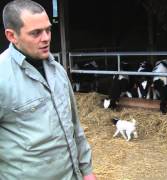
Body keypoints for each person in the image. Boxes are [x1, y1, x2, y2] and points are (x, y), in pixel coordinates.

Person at [0, 0, 96, 179]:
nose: (46, 38)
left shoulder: (57, 70)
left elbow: (74, 125)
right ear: (12, 36)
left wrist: (87, 170)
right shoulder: (2, 76)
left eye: (48, 30)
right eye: (36, 33)